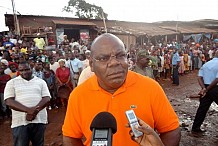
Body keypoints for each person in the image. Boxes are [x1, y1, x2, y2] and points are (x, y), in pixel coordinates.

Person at [62, 33, 181, 146]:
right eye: (104, 58)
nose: (114, 62)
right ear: (92, 65)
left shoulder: (151, 88)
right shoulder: (78, 95)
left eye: (120, 56)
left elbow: (171, 130)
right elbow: (70, 137)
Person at [4, 61, 50, 146]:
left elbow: (46, 98)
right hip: (20, 121)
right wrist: (29, 111)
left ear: (31, 68)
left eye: (27, 69)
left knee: (39, 144)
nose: (24, 72)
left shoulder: (41, 82)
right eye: (22, 70)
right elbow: (9, 101)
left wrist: (34, 112)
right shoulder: (11, 83)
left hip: (39, 119)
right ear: (18, 71)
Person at [191, 50, 218, 134]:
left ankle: (195, 127)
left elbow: (199, 77)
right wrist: (207, 89)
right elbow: (217, 79)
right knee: (202, 108)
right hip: (215, 88)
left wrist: (204, 88)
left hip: (206, 87)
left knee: (202, 109)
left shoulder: (206, 64)